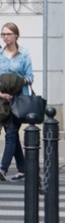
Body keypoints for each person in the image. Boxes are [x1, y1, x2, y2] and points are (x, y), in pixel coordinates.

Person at [0, 23, 33, 181]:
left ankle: (2, 169)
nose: (5, 37)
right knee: (12, 136)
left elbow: (30, 77)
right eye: (3, 34)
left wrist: (16, 82)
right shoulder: (0, 54)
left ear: (16, 35)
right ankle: (23, 169)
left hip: (18, 100)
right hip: (2, 102)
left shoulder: (24, 54)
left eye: (8, 34)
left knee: (11, 134)